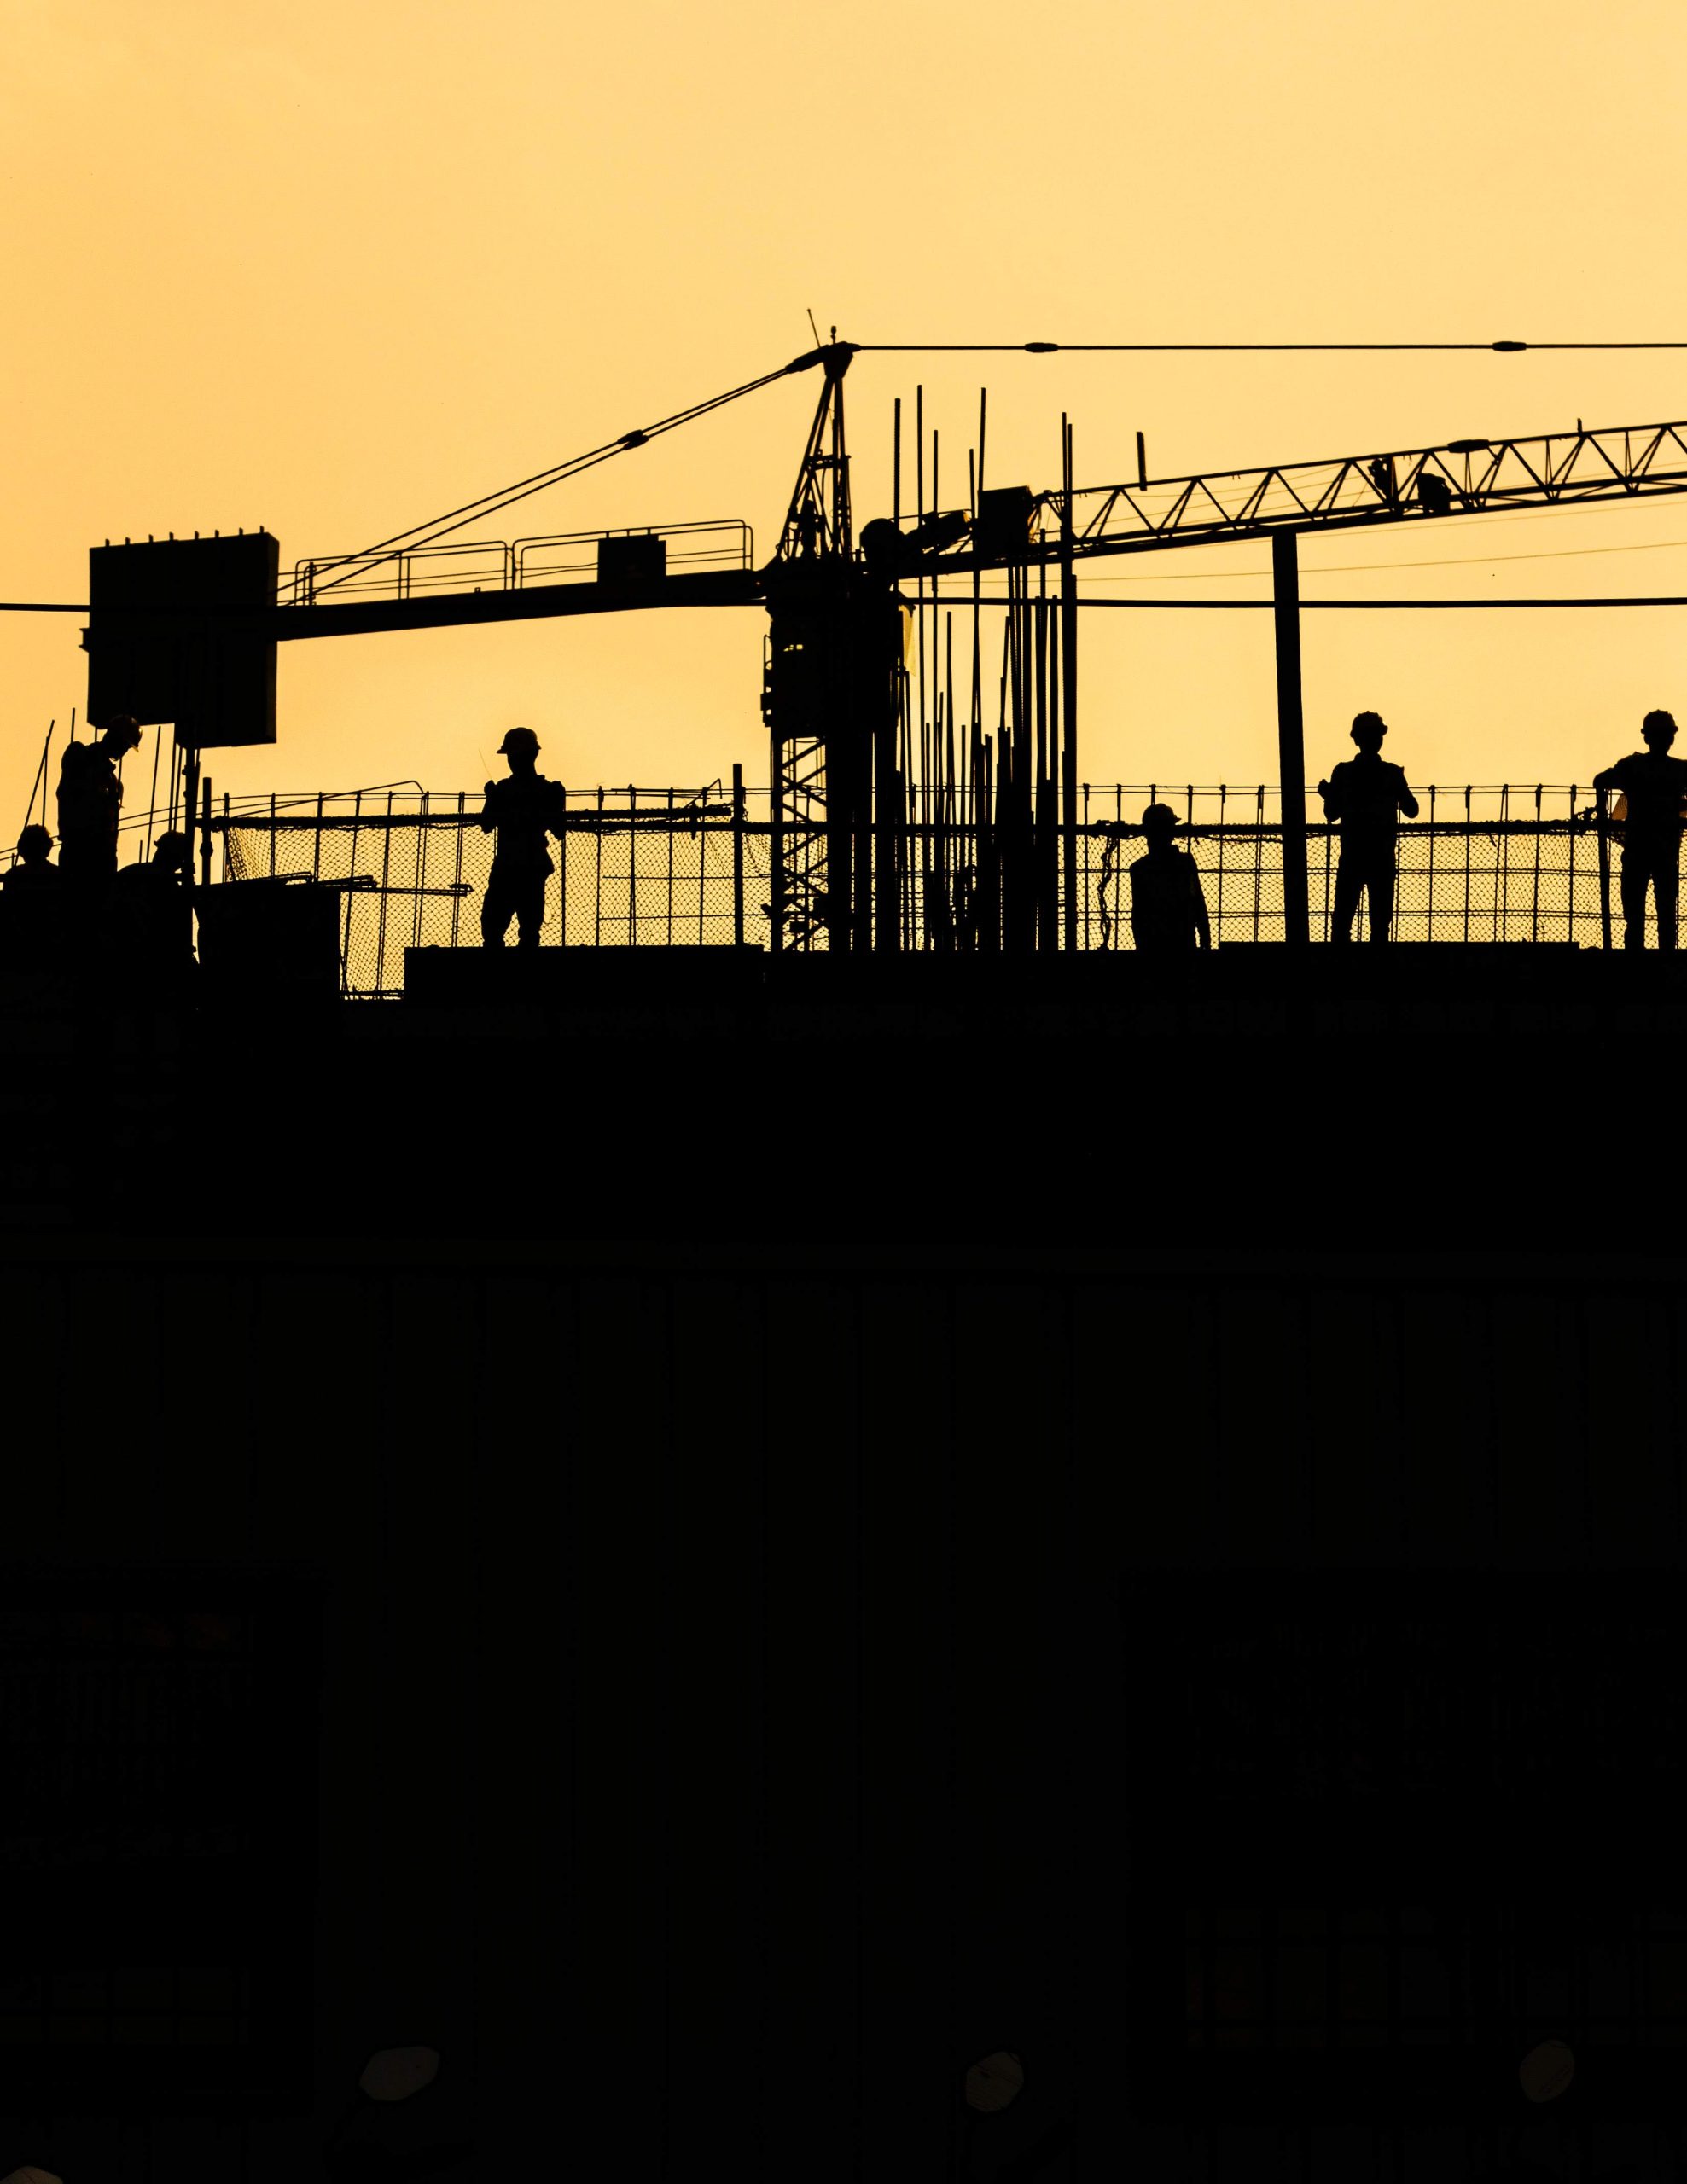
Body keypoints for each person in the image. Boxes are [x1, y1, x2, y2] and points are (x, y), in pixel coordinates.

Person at [1318, 712, 1419, 944]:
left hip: (1352, 856)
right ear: (1380, 739)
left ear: (1356, 739)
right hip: (1382, 858)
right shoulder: (1391, 773)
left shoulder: (1343, 773)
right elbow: (1412, 810)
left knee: (1342, 922)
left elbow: (1331, 814)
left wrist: (1329, 795)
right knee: (1380, 924)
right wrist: (1399, 788)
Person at [1593, 709, 1687, 950]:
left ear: (1646, 737)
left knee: (1635, 909)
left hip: (1638, 849)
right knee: (1665, 908)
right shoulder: (1679, 771)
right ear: (1671, 738)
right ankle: (1666, 955)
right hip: (1664, 850)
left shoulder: (1632, 767)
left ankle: (1636, 955)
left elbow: (1601, 780)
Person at [479, 727, 566, 949]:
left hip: (516, 867)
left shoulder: (510, 790)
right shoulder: (544, 790)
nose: (512, 760)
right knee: (503, 928)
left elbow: (487, 825)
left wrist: (493, 799)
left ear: (531, 756)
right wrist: (492, 799)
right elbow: (559, 830)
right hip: (523, 866)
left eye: (514, 755)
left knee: (515, 929)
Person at [56, 715, 143, 885]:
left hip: (105, 858)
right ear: (112, 737)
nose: (124, 751)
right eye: (123, 745)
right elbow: (77, 789)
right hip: (78, 853)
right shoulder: (79, 754)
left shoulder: (115, 784)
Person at [113, 831, 193, 992]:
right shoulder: (173, 890)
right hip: (152, 963)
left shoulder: (131, 872)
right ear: (178, 861)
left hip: (123, 957)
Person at [1128, 803, 1211, 955]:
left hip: (1154, 947)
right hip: (1183, 943)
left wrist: (1141, 946)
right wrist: (1205, 937)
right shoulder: (1185, 863)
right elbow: (1198, 901)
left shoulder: (1139, 869)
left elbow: (1138, 914)